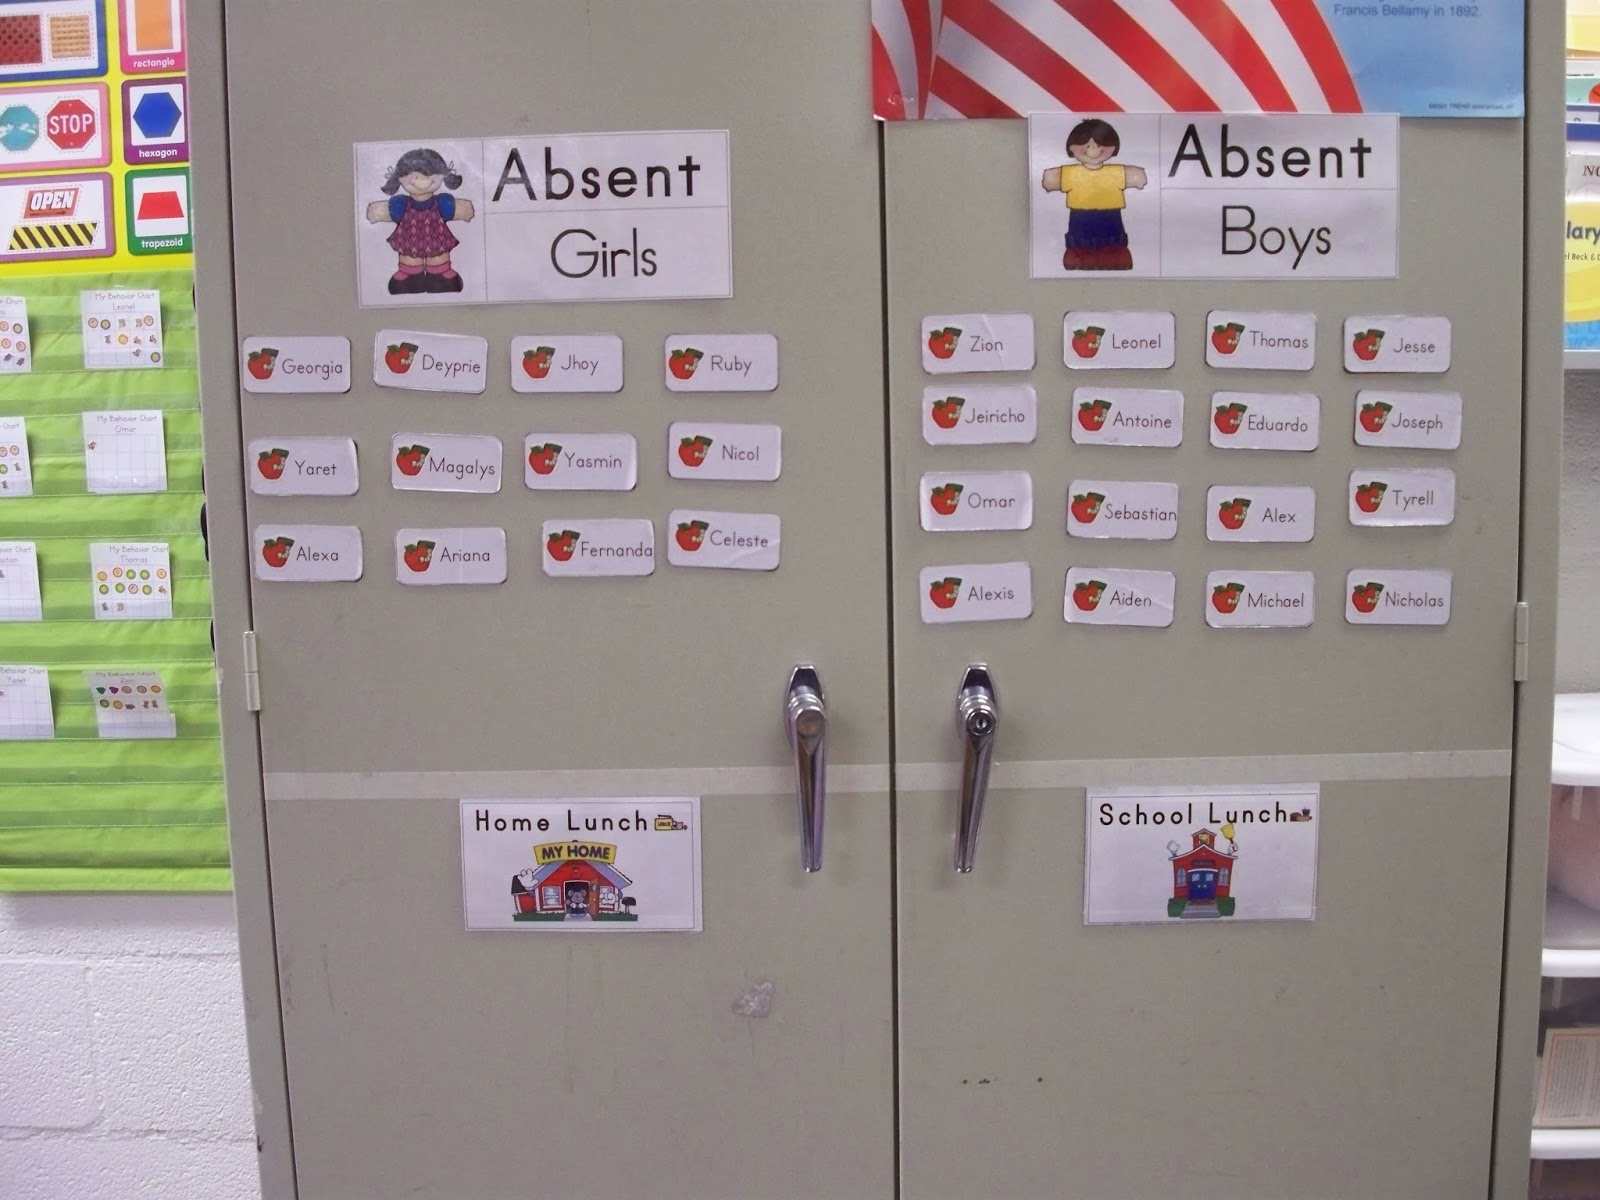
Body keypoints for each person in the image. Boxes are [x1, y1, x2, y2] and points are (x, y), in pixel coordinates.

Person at [1040, 118, 1147, 271]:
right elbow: (1050, 181)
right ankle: (1082, 259)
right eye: (1087, 146)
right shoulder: (1070, 173)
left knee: (1112, 240)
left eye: (1099, 145)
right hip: (1080, 215)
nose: (1093, 151)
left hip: (1110, 215)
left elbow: (1138, 178)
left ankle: (1111, 259)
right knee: (1081, 240)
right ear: (1072, 147)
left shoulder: (1116, 172)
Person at [365, 148, 475, 294]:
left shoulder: (442, 202)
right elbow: (387, 211)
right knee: (410, 260)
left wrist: (463, 210)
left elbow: (456, 209)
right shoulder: (401, 204)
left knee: (438, 260)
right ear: (399, 178)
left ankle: (439, 273)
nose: (422, 180)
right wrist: (378, 212)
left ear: (442, 176)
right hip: (409, 241)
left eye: (429, 174)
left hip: (436, 240)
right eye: (414, 176)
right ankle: (410, 274)